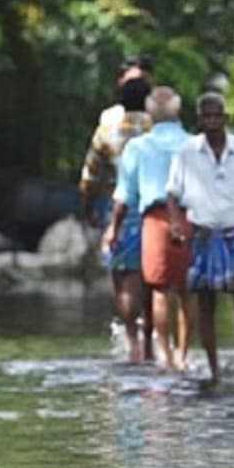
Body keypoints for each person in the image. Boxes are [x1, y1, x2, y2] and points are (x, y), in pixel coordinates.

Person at [166, 92, 234, 385]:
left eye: (216, 116)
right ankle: (213, 367)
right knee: (206, 301)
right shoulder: (187, 152)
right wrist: (175, 225)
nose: (211, 122)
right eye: (205, 116)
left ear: (225, 118)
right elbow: (172, 194)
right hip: (205, 235)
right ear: (198, 120)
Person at [110, 86, 193, 371]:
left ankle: (165, 356)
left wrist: (114, 228)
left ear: (149, 115)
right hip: (190, 217)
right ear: (178, 111)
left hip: (154, 220)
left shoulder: (138, 147)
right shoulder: (193, 144)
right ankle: (184, 354)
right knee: (186, 290)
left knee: (160, 289)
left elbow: (124, 197)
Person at [83, 77, 153, 362]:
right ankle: (150, 340)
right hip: (154, 209)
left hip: (116, 210)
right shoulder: (157, 128)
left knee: (123, 278)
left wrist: (87, 208)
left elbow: (90, 175)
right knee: (153, 277)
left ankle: (133, 342)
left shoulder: (106, 130)